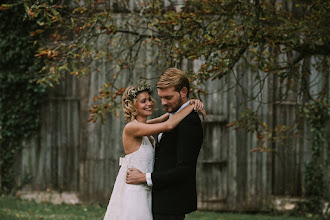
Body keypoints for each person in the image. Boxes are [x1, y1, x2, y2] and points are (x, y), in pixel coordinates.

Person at [103, 81, 205, 220]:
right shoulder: (132, 128)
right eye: (143, 101)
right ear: (133, 106)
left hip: (147, 190)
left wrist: (186, 104)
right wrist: (191, 107)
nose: (149, 103)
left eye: (149, 99)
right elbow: (169, 125)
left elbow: (167, 118)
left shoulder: (143, 127)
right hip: (135, 189)